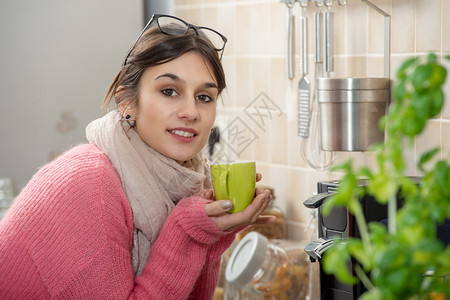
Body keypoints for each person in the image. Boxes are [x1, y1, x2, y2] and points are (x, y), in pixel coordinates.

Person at [0, 14, 275, 299]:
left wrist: (212, 232)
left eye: (204, 97)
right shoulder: (89, 182)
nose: (191, 112)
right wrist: (187, 231)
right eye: (169, 91)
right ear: (127, 103)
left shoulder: (191, 182)